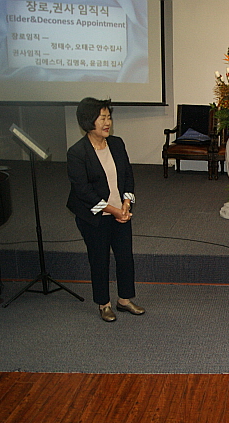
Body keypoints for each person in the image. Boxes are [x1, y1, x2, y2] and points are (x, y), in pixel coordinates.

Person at [67, 97, 145, 322]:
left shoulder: (117, 144)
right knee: (99, 259)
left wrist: (126, 204)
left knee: (125, 257)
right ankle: (104, 304)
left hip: (120, 212)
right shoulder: (77, 152)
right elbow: (83, 191)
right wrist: (113, 210)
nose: (107, 123)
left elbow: (128, 176)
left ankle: (125, 300)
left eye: (109, 117)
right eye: (102, 118)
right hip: (94, 216)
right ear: (88, 121)